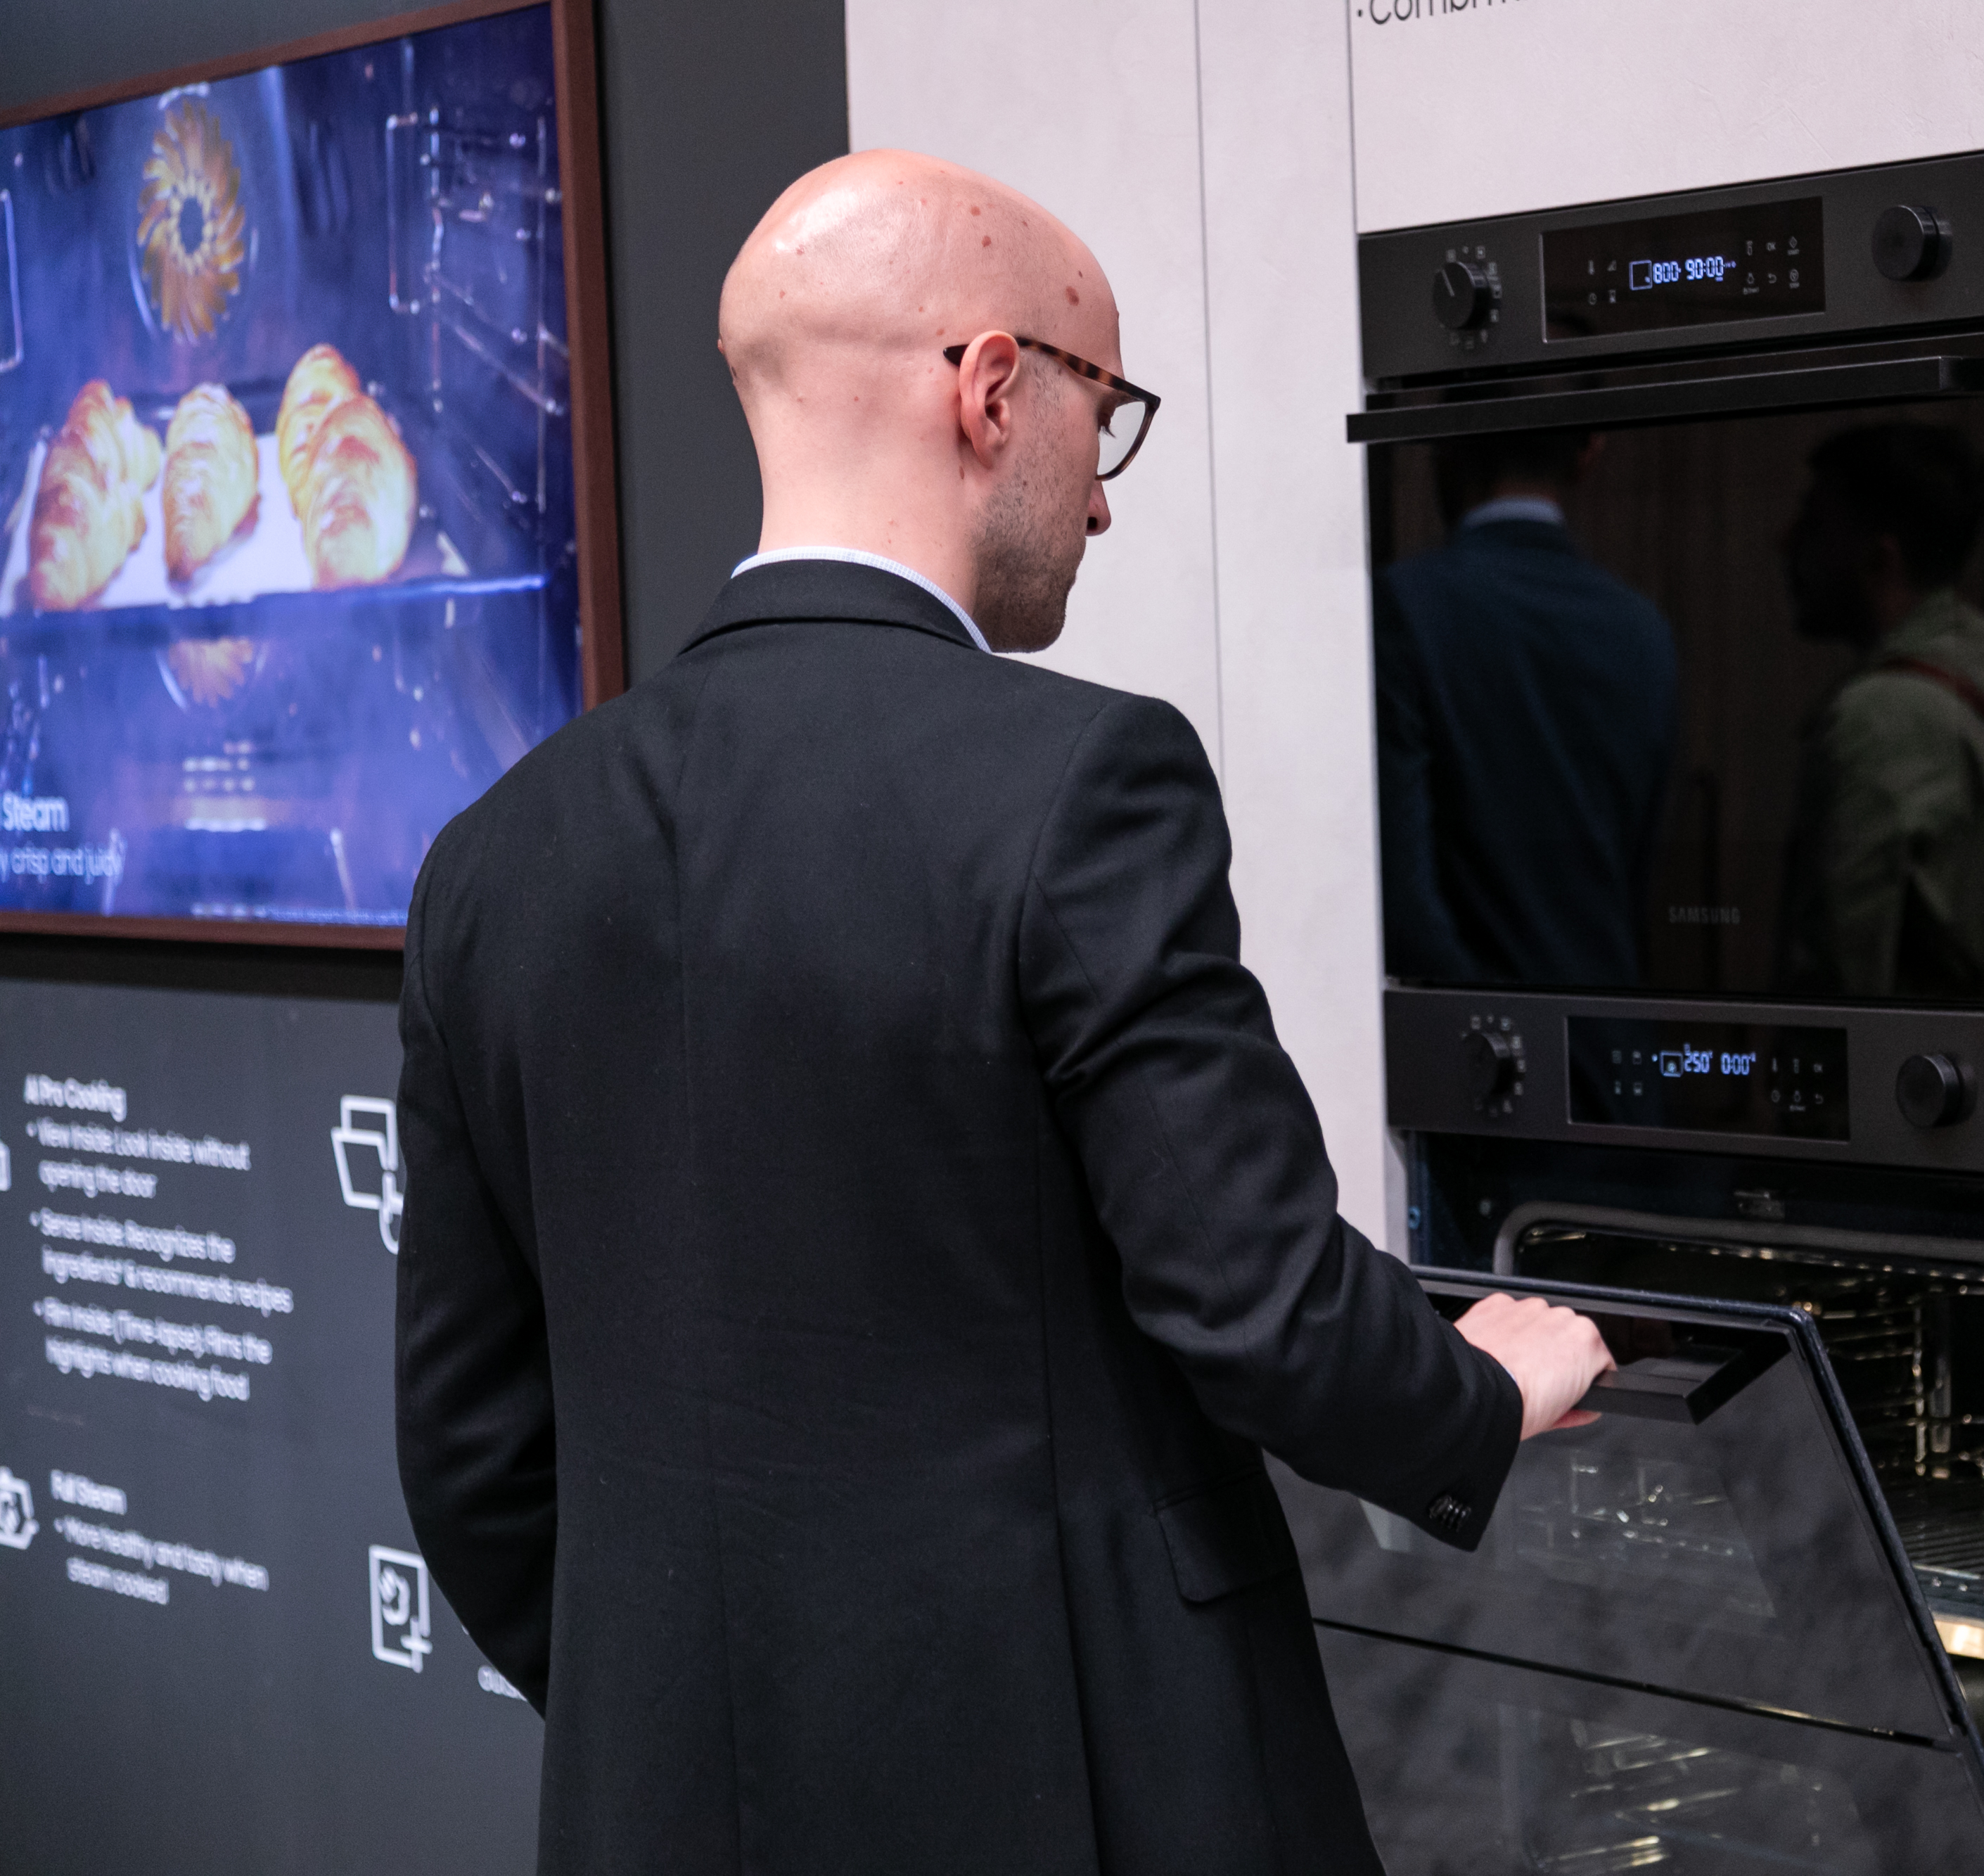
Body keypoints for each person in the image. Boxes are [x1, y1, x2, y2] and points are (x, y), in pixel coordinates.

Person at [391, 151, 1613, 1875]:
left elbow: (470, 1457)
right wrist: (1474, 1391)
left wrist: (692, 1720)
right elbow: (1253, 1297)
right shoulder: (1081, 782)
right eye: (1100, 414)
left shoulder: (490, 858)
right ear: (986, 388)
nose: (1099, 501)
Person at [1374, 428, 1676, 986]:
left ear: (1447, 445)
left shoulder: (1407, 604)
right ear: (1590, 452)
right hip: (1614, 1022)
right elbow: (1637, 886)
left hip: (1477, 1029)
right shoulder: (1644, 629)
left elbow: (1403, 901)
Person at [1775, 423, 1984, 1001]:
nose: (1786, 544)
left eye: (1814, 525)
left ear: (1880, 560)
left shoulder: (1873, 720)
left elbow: (1839, 995)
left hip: (1918, 1051)